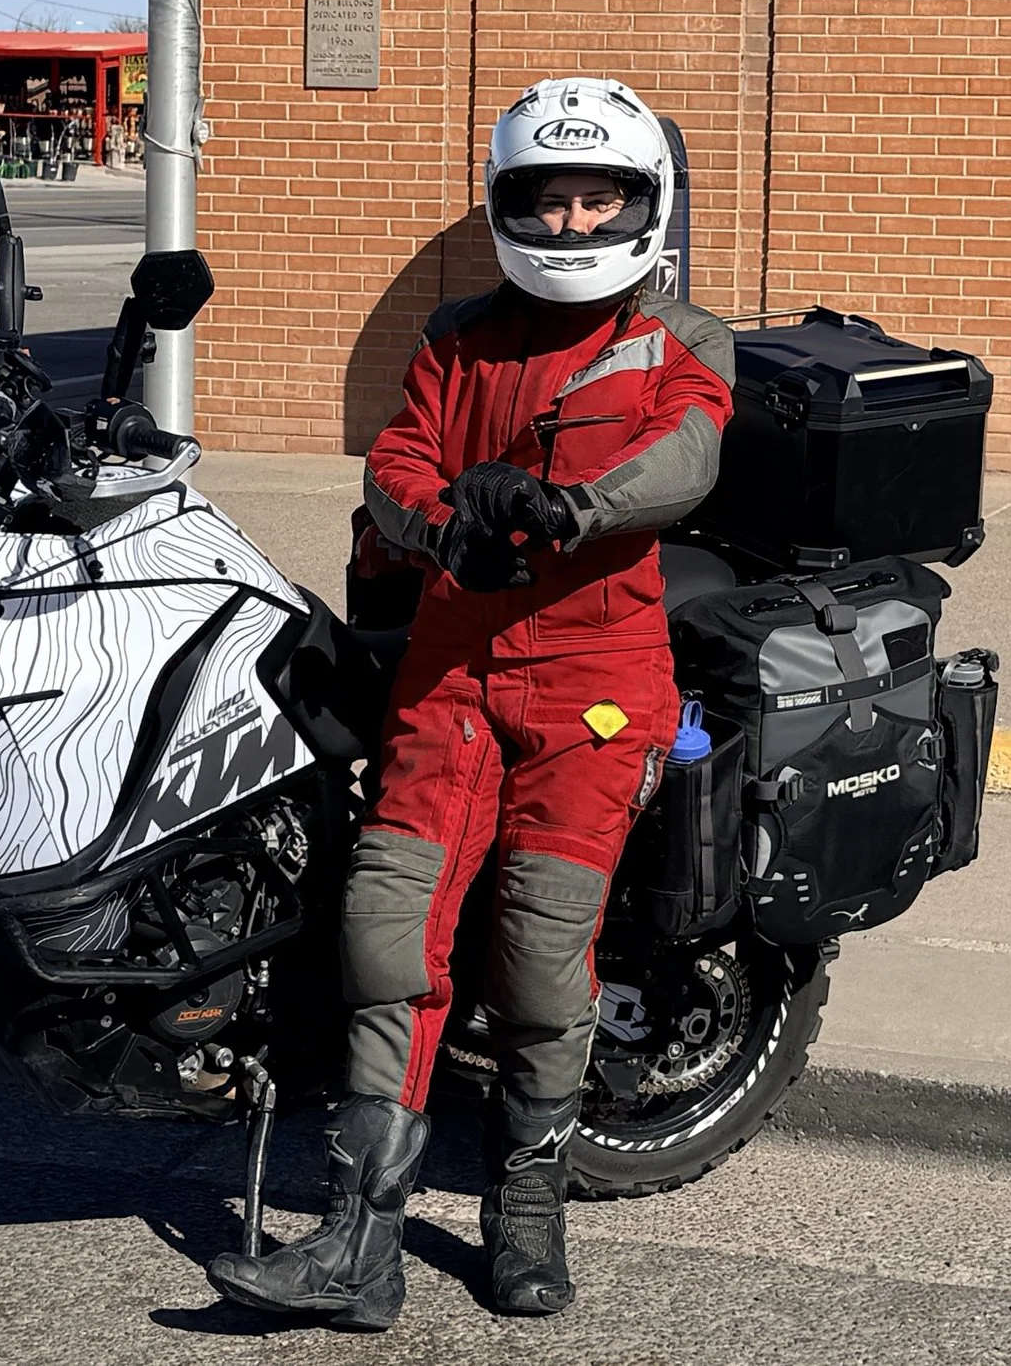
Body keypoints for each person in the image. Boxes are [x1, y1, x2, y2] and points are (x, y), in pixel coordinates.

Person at [208, 78, 735, 1330]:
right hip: (452, 668)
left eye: (596, 199)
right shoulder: (458, 336)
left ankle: (528, 1212)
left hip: (594, 681)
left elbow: (684, 456)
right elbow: (397, 456)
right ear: (507, 204)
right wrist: (443, 527)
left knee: (543, 956)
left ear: (643, 205)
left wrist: (569, 510)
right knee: (387, 934)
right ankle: (359, 1244)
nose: (569, 223)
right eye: (546, 200)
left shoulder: (682, 340)